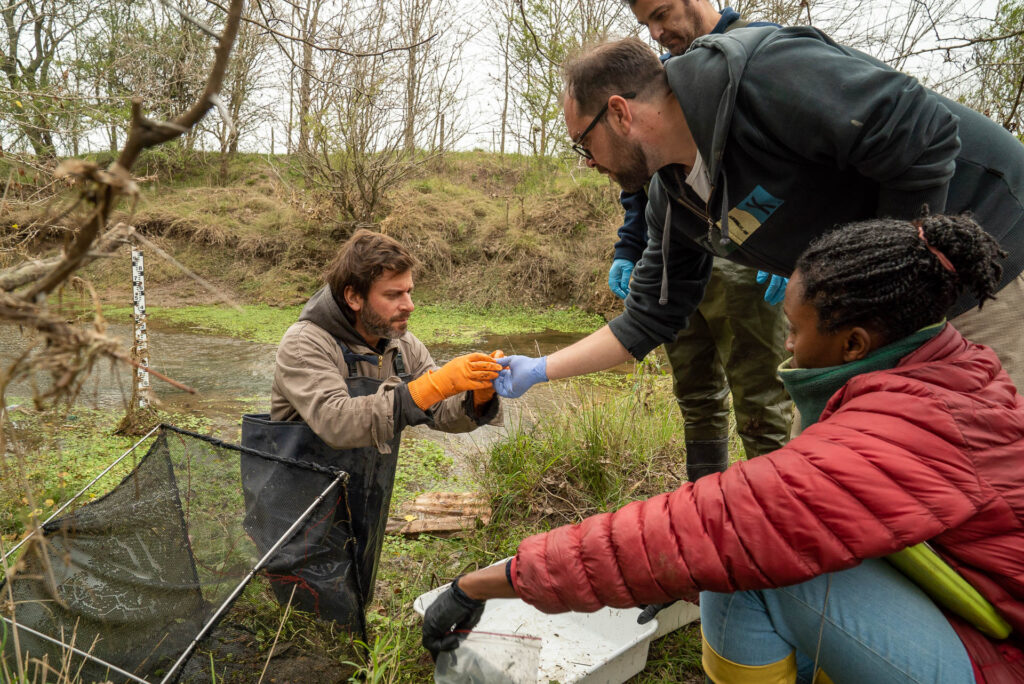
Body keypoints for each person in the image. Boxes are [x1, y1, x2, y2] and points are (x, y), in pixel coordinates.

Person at [423, 213, 1024, 682]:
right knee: (750, 556)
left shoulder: (901, 430)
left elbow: (706, 528)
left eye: (794, 328)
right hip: (979, 615)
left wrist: (478, 584)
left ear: (854, 342)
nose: (786, 343)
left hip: (996, 658)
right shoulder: (950, 370)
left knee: (755, 565)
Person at [493, 33, 1024, 402]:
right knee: (835, 462)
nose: (587, 163)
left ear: (618, 112)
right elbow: (650, 318)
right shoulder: (673, 199)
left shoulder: (760, 74)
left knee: (974, 455)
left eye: (583, 143)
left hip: (985, 247)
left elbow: (922, 130)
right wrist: (541, 369)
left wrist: (886, 284)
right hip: (870, 311)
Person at [241, 229, 501, 629]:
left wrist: (477, 395)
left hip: (363, 494)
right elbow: (337, 422)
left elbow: (443, 413)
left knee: (355, 589)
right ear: (354, 297)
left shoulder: (402, 346)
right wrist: (431, 385)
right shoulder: (306, 342)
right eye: (393, 295)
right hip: (298, 502)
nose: (409, 305)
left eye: (409, 292)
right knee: (309, 618)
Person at [610, 0, 791, 478]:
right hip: (674, 253)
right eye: (646, 23)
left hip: (745, 260)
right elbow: (644, 181)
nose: (656, 32)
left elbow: (794, 166)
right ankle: (706, 510)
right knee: (695, 394)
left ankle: (772, 522)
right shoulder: (658, 81)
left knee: (761, 399)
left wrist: (791, 246)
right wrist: (629, 248)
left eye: (662, 14)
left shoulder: (760, 54)